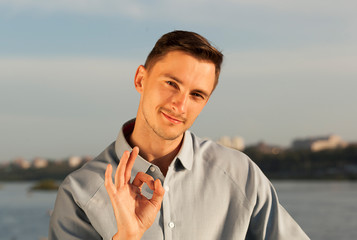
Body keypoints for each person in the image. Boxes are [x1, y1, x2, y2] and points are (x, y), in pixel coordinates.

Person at [49, 30, 309, 240]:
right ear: (140, 79)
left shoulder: (241, 175)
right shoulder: (80, 193)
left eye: (196, 95)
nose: (180, 105)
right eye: (171, 83)